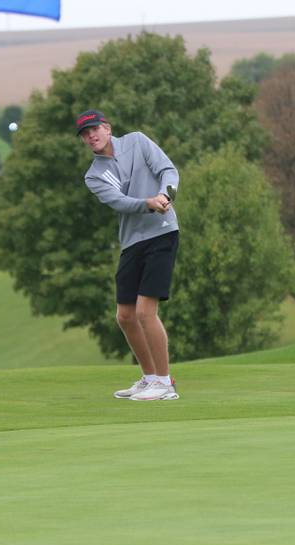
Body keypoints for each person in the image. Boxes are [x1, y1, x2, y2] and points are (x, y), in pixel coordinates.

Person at [77, 110, 180, 401]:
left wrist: (166, 194)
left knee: (146, 312)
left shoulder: (137, 141)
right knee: (125, 316)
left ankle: (165, 383)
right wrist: (148, 203)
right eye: (85, 134)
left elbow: (167, 170)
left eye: (95, 129)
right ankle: (149, 378)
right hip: (132, 242)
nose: (91, 136)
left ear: (107, 128)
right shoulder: (93, 175)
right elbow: (119, 202)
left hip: (162, 232)